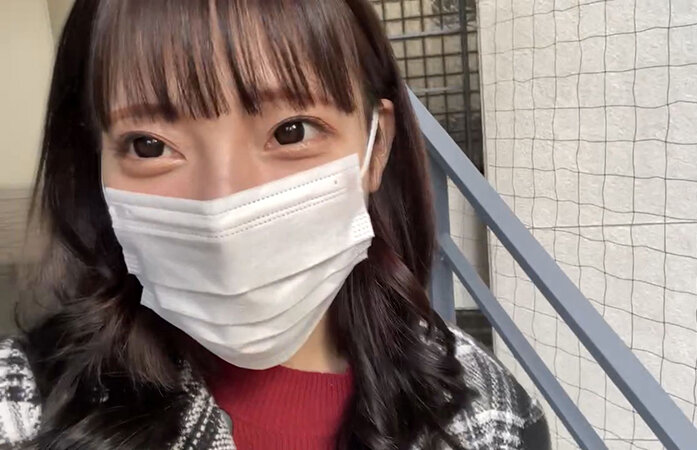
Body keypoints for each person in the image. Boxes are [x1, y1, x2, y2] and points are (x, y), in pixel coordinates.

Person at [0, 0, 550, 448]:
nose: (223, 203)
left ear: (375, 145)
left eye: (292, 131)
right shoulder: (23, 406)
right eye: (150, 145)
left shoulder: (485, 413)